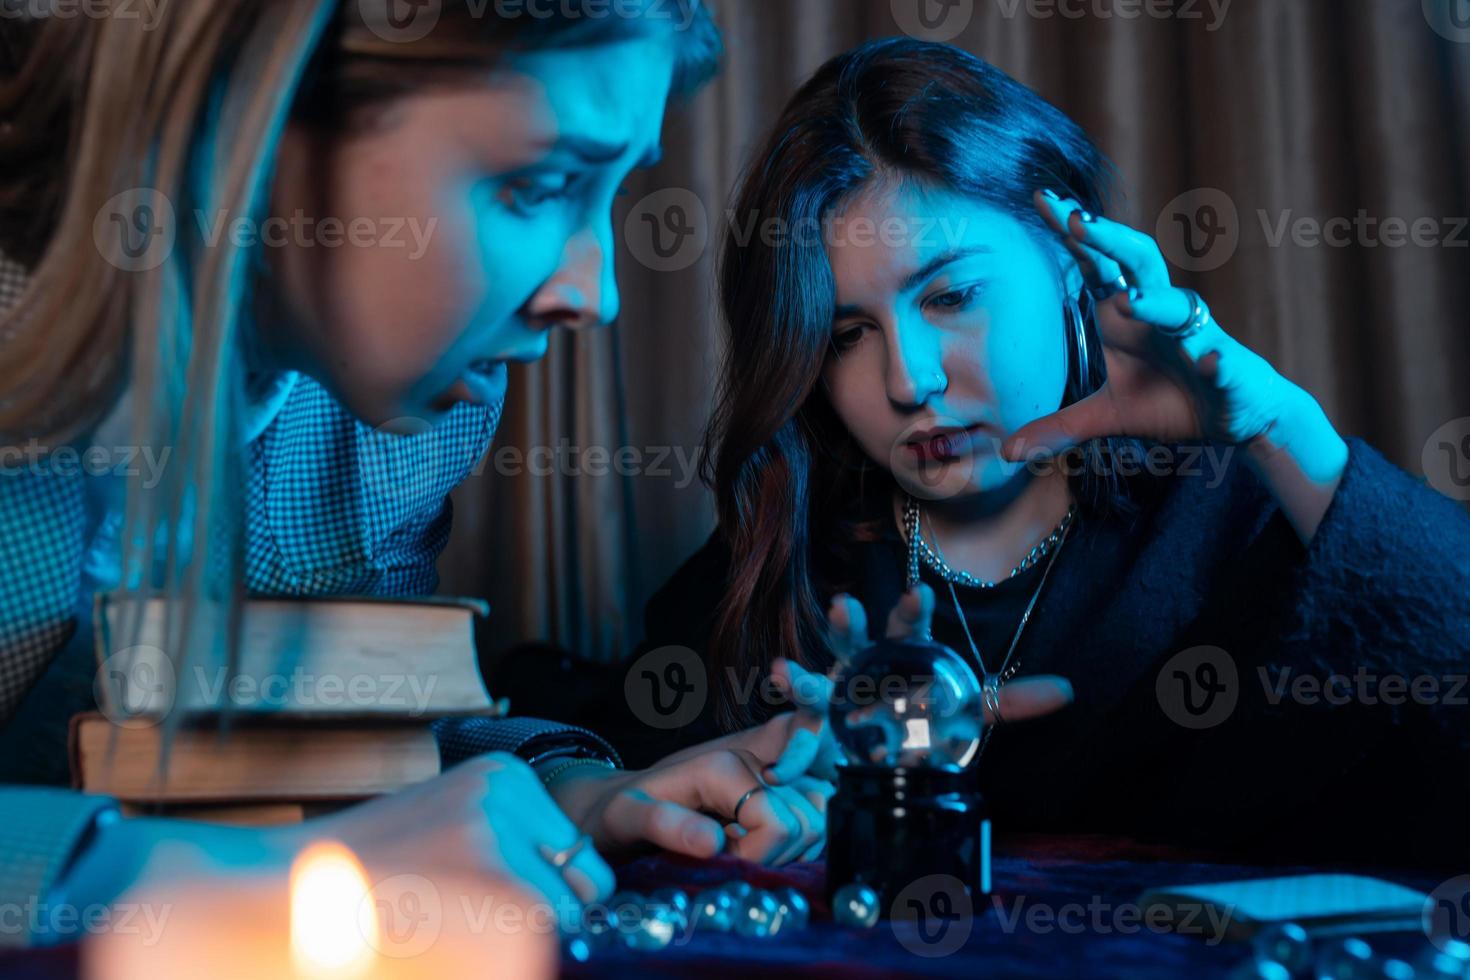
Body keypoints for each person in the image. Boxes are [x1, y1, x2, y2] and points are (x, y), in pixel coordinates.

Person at [0, 1, 828, 948]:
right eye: (538, 185)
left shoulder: (396, 426)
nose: (594, 297)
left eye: (611, 199)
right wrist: (210, 876)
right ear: (255, 123)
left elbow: (357, 744)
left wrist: (570, 798)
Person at [618, 37, 1470, 866]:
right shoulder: (786, 560)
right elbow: (602, 770)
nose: (909, 380)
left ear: (1069, 261)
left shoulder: (1243, 520)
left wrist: (1282, 425)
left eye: (951, 296)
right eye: (847, 335)